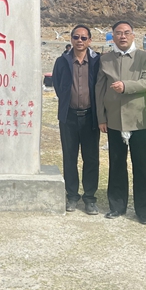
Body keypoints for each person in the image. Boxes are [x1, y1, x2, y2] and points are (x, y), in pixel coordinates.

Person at [95, 21, 146, 223]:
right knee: (117, 164)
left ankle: (144, 211)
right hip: (113, 119)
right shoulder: (105, 59)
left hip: (138, 119)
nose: (122, 36)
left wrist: (126, 86)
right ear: (112, 36)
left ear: (133, 36)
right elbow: (99, 89)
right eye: (118, 33)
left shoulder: (144, 57)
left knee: (142, 166)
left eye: (127, 33)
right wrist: (101, 117)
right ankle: (117, 206)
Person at [52, 25, 101, 215]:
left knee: (91, 158)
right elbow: (57, 84)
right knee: (69, 157)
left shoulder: (96, 61)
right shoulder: (62, 61)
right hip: (69, 117)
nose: (79, 41)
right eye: (76, 37)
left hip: (90, 117)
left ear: (89, 40)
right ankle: (72, 195)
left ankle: (90, 198)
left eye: (83, 38)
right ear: (71, 39)